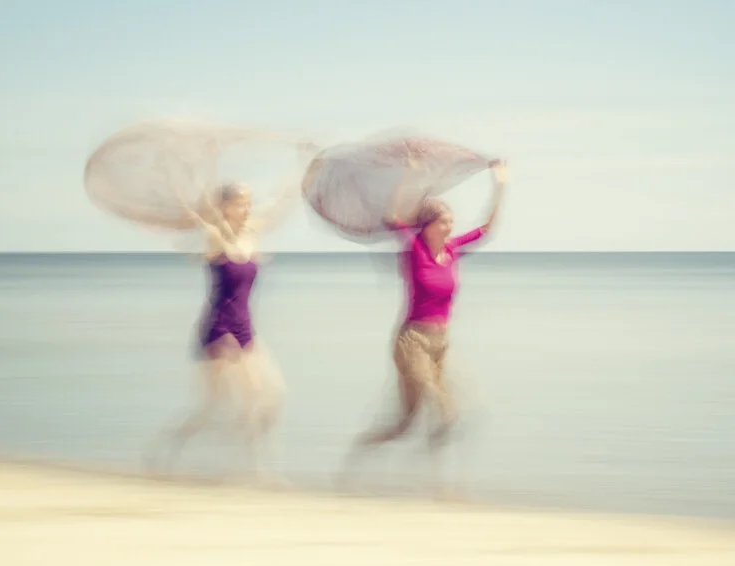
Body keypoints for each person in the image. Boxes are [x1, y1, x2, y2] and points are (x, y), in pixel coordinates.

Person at [339, 159, 508, 495]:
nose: (450, 227)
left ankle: (367, 455)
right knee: (443, 409)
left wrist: (500, 184)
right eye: (444, 222)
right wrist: (410, 175)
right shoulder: (414, 249)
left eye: (451, 222)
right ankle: (433, 484)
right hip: (411, 342)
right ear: (427, 225)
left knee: (406, 424)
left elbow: (487, 229)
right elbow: (392, 217)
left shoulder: (453, 251)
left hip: (440, 343)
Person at [146, 170, 304, 481]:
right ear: (226, 206)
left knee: (268, 398)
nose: (248, 208)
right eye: (241, 203)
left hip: (246, 329)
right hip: (219, 329)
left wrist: (299, 173)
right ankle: (252, 470)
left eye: (249, 203)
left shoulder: (253, 233)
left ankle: (185, 454)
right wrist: (181, 177)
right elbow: (197, 213)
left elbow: (278, 208)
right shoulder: (215, 238)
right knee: (251, 396)